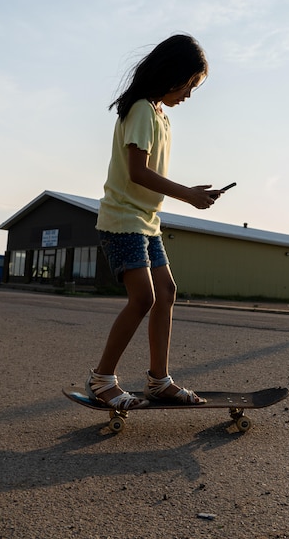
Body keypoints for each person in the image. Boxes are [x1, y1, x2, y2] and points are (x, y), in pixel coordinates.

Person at [88, 34, 224, 410]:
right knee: (144, 297)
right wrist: (189, 196)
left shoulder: (160, 116)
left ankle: (158, 381)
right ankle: (102, 380)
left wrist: (190, 192)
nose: (189, 95)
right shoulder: (142, 110)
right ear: (173, 74)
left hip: (146, 220)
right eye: (189, 85)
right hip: (122, 219)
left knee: (166, 293)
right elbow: (137, 173)